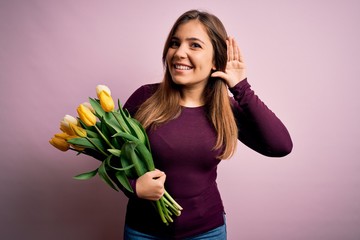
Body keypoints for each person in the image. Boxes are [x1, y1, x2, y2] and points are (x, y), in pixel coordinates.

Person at [121, 9, 293, 240]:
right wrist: (133, 187)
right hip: (143, 232)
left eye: (194, 45)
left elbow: (281, 146)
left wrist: (241, 87)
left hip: (206, 232)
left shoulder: (225, 110)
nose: (179, 53)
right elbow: (109, 156)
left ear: (215, 61)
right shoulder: (145, 98)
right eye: (175, 43)